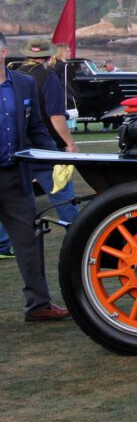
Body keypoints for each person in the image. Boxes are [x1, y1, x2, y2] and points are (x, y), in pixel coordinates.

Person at [0, 32, 70, 321]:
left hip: (15, 177)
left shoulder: (24, 84)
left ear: (3, 51)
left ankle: (39, 305)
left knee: (30, 241)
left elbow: (37, 129)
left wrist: (54, 157)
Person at [16, 41, 80, 225]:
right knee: (64, 199)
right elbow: (56, 116)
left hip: (19, 147)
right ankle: (77, 239)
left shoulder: (16, 75)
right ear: (49, 56)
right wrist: (70, 143)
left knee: (13, 200)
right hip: (45, 147)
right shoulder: (48, 78)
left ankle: (3, 245)